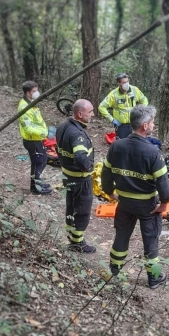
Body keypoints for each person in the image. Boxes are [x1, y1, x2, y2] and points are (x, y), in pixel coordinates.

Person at [102, 105, 169, 289]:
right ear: (145, 126)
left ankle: (115, 270)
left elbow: (106, 173)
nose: (153, 125)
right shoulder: (152, 152)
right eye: (152, 123)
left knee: (121, 235)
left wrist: (109, 192)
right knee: (151, 240)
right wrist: (164, 204)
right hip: (148, 205)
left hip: (124, 203)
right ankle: (154, 277)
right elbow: (163, 183)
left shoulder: (116, 145)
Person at [56, 99, 96, 253]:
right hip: (80, 179)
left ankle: (71, 235)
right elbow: (80, 156)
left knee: (71, 205)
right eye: (90, 111)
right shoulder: (77, 134)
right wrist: (89, 167)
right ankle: (77, 243)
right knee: (83, 210)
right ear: (80, 114)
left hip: (66, 176)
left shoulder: (63, 126)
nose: (93, 114)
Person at [18, 81, 52, 195]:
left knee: (40, 161)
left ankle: (37, 182)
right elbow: (28, 128)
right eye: (34, 91)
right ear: (28, 93)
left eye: (37, 90)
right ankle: (35, 187)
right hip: (32, 140)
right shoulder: (24, 107)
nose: (36, 93)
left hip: (37, 139)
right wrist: (43, 133)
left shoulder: (32, 103)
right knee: (39, 162)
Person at [99, 72, 148, 139]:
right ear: (119, 84)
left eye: (127, 81)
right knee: (122, 144)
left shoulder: (134, 90)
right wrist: (112, 120)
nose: (126, 84)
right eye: (124, 82)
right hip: (121, 126)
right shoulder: (114, 94)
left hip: (134, 123)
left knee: (135, 143)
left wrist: (141, 111)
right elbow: (101, 107)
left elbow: (144, 100)